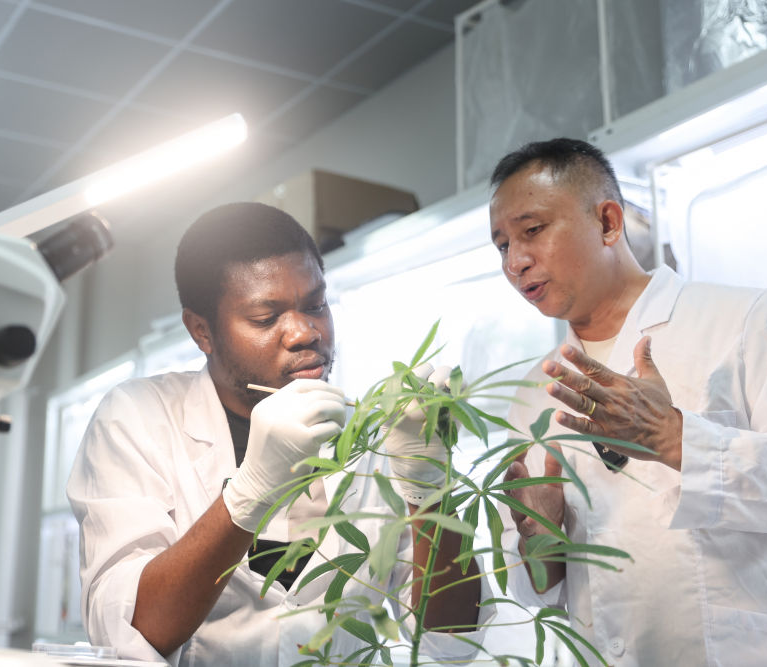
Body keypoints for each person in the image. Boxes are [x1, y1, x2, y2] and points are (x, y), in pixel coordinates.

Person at [67, 202, 492, 666]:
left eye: (315, 305)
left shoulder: (378, 433)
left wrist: (429, 489)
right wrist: (248, 495)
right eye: (266, 318)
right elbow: (130, 631)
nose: (304, 332)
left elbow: (453, 642)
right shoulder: (138, 418)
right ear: (202, 331)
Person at [489, 137, 767, 665]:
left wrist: (677, 439)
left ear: (608, 222)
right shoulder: (531, 392)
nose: (515, 262)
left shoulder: (744, 319)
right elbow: (536, 587)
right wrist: (540, 539)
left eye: (532, 230)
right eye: (501, 246)